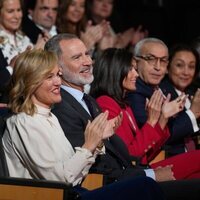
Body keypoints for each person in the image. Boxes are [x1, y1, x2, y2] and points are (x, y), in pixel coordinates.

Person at [2, 48, 165, 200]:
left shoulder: (49, 116)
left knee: (147, 187)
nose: (58, 82)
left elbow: (76, 174)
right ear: (31, 82)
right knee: (145, 186)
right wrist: (89, 145)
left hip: (75, 192)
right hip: (48, 196)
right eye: (49, 77)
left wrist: (98, 140)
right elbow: (59, 180)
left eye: (58, 75)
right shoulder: (25, 122)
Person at [90, 47, 200, 180]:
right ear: (115, 71)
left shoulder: (124, 105)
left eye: (135, 69)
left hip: (141, 169)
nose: (136, 74)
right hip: (129, 176)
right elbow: (130, 156)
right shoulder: (106, 103)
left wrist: (162, 118)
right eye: (131, 69)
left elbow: (146, 156)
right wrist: (151, 121)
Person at [127, 38, 200, 157]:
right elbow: (156, 135)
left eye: (163, 61)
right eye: (151, 59)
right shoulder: (135, 92)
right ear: (135, 62)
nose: (158, 67)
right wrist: (192, 113)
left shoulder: (162, 89)